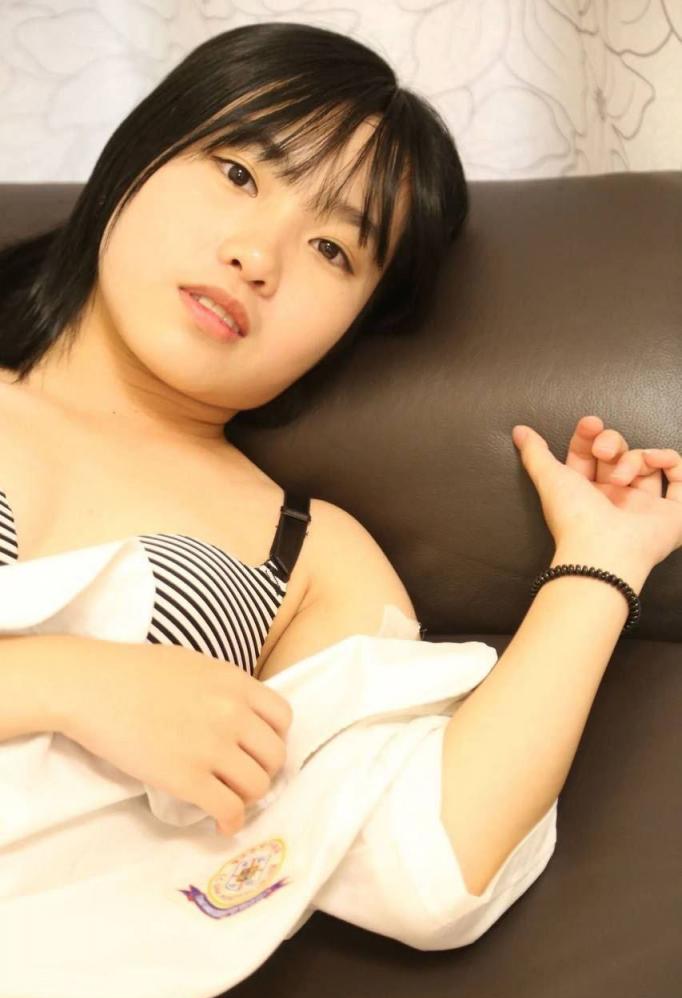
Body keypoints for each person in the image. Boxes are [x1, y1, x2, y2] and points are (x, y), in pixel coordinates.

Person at [1, 15, 681, 949]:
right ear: (140, 154)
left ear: (356, 325)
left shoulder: (310, 553)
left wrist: (600, 565)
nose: (258, 257)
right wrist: (67, 681)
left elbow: (425, 869)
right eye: (240, 173)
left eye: (334, 250)